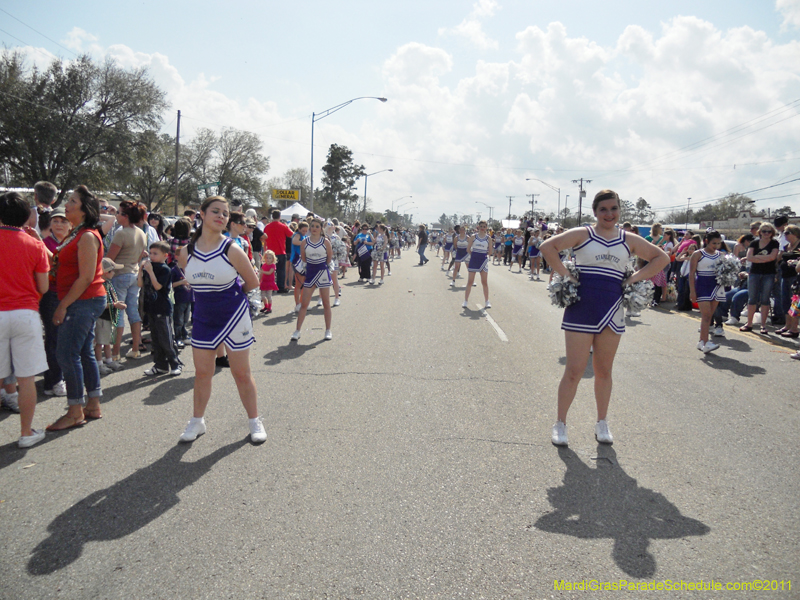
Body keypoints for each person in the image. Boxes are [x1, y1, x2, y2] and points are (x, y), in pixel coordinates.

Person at [539, 190, 669, 447]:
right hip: (581, 308)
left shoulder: (628, 239)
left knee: (604, 370)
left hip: (612, 308)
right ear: (595, 212)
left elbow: (661, 258)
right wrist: (566, 274)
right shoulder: (583, 233)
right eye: (603, 209)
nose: (609, 214)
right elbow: (547, 247)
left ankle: (602, 422)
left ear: (619, 210)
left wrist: (633, 279)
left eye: (614, 208)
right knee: (574, 370)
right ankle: (560, 423)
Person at [177, 196, 265, 444]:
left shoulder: (232, 249)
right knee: (202, 373)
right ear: (202, 214)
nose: (221, 216)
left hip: (234, 316)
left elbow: (253, 282)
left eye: (225, 214)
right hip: (203, 317)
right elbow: (191, 281)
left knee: (241, 373)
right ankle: (197, 421)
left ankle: (254, 420)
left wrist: (230, 298)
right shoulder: (186, 252)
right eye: (215, 211)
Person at [48, 185, 108, 430]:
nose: (67, 205)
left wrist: (62, 306)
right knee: (83, 352)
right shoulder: (77, 233)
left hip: (82, 300)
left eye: (73, 201)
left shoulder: (86, 236)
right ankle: (92, 404)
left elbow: (85, 277)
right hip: (81, 300)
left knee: (66, 355)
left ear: (84, 210)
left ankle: (75, 411)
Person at [0, 192, 51, 447]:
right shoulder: (34, 245)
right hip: (26, 313)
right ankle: (26, 432)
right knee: (26, 378)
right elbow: (43, 286)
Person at [105, 200, 148, 360]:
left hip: (119, 274)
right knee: (133, 312)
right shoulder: (141, 232)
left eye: (119, 213)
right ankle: (135, 348)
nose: (116, 215)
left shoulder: (121, 233)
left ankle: (115, 352)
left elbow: (109, 260)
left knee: (118, 313)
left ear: (126, 216)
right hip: (134, 274)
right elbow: (140, 256)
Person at [39, 207, 70, 397]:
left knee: (66, 339)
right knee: (54, 338)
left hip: (71, 295)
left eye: (63, 221)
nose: (59, 224)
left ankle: (58, 377)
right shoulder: (44, 243)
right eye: (55, 221)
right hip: (51, 294)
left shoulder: (74, 242)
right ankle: (54, 380)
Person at [139, 241, 182, 376]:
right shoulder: (149, 267)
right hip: (151, 308)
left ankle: (175, 364)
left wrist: (150, 272)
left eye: (155, 254)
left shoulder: (164, 269)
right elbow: (140, 284)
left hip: (162, 309)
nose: (152, 256)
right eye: (150, 253)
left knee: (166, 339)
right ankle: (160, 365)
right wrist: (140, 271)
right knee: (156, 339)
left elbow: (158, 287)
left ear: (165, 255)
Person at [291, 218, 334, 341]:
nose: (314, 228)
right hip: (310, 272)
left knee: (326, 303)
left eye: (317, 226)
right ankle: (297, 331)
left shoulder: (326, 242)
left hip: (323, 272)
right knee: (304, 304)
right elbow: (304, 258)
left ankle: (328, 330)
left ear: (321, 229)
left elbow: (329, 258)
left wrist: (322, 266)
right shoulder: (305, 242)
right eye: (313, 226)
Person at [689, 230, 725, 353]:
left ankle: (701, 342)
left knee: (709, 316)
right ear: (706, 241)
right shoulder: (698, 254)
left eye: (718, 243)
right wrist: (692, 291)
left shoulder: (721, 255)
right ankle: (706, 342)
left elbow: (725, 271)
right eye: (714, 243)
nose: (716, 246)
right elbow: (692, 274)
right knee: (706, 315)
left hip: (717, 286)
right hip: (702, 285)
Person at [741, 223, 780, 334]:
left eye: (769, 231)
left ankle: (763, 325)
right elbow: (749, 257)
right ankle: (749, 323)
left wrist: (757, 257)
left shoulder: (774, 243)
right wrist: (764, 258)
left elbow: (772, 257)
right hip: (754, 273)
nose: (766, 233)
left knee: (765, 299)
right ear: (760, 232)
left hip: (769, 274)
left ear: (772, 233)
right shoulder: (754, 243)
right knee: (752, 299)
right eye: (764, 231)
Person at [95, 258, 127, 375]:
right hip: (102, 318)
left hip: (108, 318)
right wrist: (115, 305)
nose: (114, 272)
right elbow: (99, 304)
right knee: (99, 342)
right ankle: (99, 364)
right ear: (105, 272)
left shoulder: (107, 283)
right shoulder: (100, 285)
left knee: (107, 341)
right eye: (112, 270)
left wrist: (116, 303)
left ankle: (109, 361)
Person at [776, 225, 800, 337]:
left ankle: (794, 328)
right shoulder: (786, 246)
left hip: (795, 278)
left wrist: (795, 263)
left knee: (794, 302)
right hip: (784, 276)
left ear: (795, 234)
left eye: (787, 233)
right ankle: (787, 325)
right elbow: (779, 259)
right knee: (785, 300)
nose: (784, 235)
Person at [262, 210, 293, 294]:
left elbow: (264, 238)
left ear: (272, 216)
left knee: (269, 270)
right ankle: (280, 287)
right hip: (281, 251)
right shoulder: (283, 226)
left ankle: (269, 286)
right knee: (281, 271)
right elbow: (291, 235)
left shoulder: (267, 227)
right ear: (280, 216)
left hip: (270, 252)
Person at [463, 220, 492, 309]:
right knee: (470, 281)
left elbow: (490, 251)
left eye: (484, 226)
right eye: (481, 226)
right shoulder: (473, 236)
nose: (482, 228)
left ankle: (487, 301)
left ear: (486, 228)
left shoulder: (488, 238)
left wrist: (484, 256)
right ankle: (465, 301)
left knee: (484, 282)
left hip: (483, 261)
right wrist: (473, 255)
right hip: (474, 260)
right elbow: (468, 249)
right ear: (478, 227)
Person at [171, 260, 193, 348]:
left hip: (189, 298)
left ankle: (184, 336)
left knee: (185, 319)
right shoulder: (174, 270)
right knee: (178, 320)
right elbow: (170, 284)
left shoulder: (189, 269)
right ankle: (178, 338)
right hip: (179, 299)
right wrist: (181, 282)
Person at [259, 250, 278, 314]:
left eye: (270, 258)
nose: (268, 259)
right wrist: (260, 280)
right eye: (267, 258)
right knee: (263, 296)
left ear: (273, 259)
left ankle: (269, 308)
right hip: (264, 282)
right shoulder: (264, 265)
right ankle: (266, 306)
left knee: (269, 296)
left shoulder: (273, 265)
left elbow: (269, 272)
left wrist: (262, 271)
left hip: (270, 282)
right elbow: (261, 274)